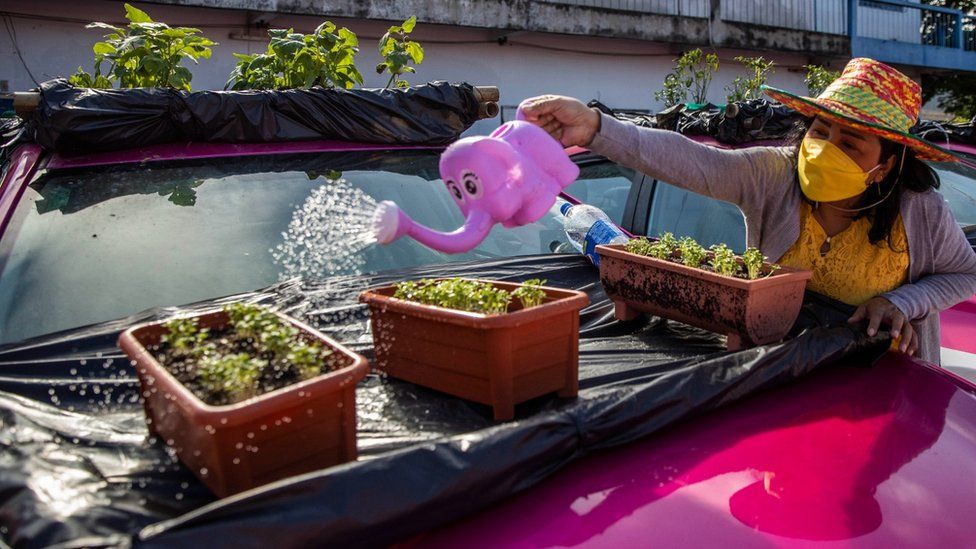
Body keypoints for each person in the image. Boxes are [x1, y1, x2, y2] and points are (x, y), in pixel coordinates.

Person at [520, 58, 976, 364]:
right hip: (778, 370)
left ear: (886, 165)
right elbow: (692, 161)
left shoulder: (921, 211)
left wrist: (901, 301)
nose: (824, 149)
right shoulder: (772, 175)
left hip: (886, 383)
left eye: (850, 143)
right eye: (820, 132)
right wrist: (597, 127)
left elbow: (966, 274)